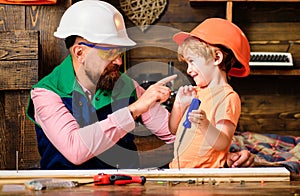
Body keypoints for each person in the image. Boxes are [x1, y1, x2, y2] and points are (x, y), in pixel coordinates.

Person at [26, 0, 253, 170]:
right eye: (111, 53)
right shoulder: (46, 94)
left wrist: (224, 153)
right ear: (80, 52)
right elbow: (75, 150)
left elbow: (176, 133)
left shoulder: (126, 86)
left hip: (123, 190)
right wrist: (135, 109)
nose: (118, 61)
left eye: (120, 53)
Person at [168, 18, 252, 169]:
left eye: (192, 61)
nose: (188, 70)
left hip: (206, 175)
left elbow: (222, 143)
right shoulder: (196, 93)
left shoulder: (228, 97)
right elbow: (174, 130)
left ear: (216, 58)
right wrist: (179, 105)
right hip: (179, 170)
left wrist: (205, 125)